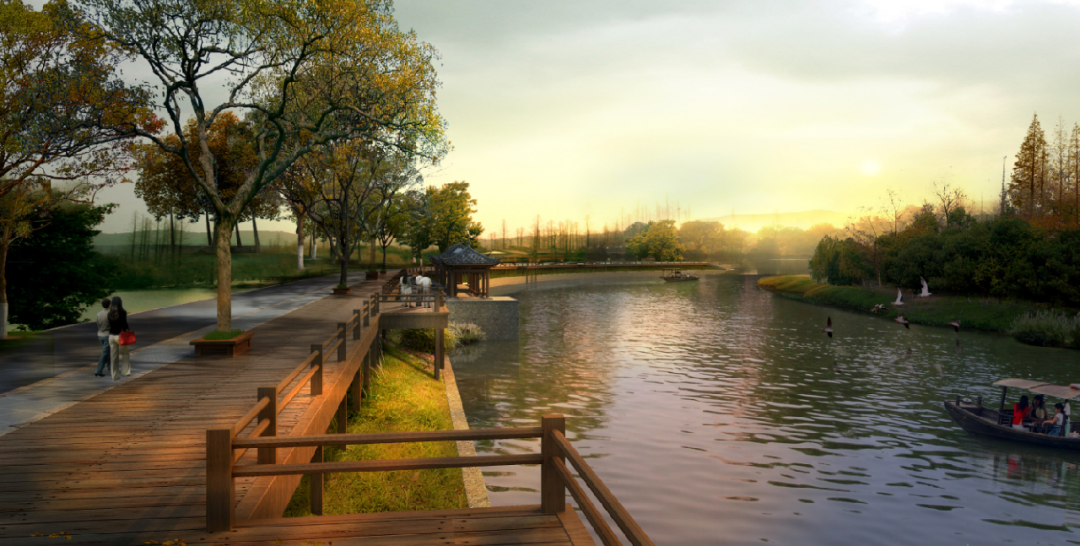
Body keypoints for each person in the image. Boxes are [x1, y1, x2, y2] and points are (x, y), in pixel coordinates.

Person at [107, 296, 132, 381]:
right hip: (120, 336)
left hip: (111, 336)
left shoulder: (109, 313)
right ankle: (125, 372)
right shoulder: (123, 312)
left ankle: (115, 375)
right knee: (125, 353)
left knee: (114, 357)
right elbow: (125, 325)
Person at [94, 298, 111, 377]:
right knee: (104, 353)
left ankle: (109, 366)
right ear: (109, 305)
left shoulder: (98, 314)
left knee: (106, 351)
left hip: (100, 334)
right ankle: (98, 371)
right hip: (107, 335)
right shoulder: (109, 314)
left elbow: (98, 324)